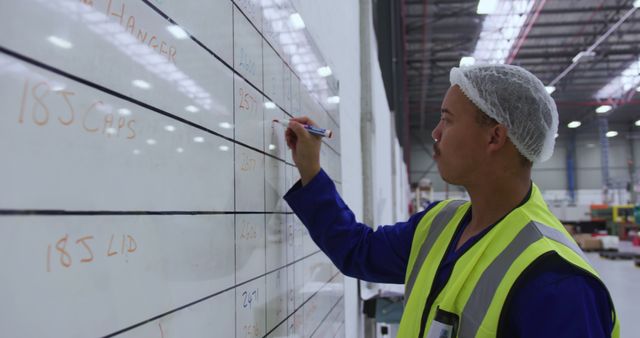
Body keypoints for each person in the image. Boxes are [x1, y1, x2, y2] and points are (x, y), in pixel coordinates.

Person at [283, 64, 619, 338]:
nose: (436, 133)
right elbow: (360, 252)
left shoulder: (558, 282)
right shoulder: (440, 223)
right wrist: (311, 171)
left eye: (447, 119)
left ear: (495, 136)